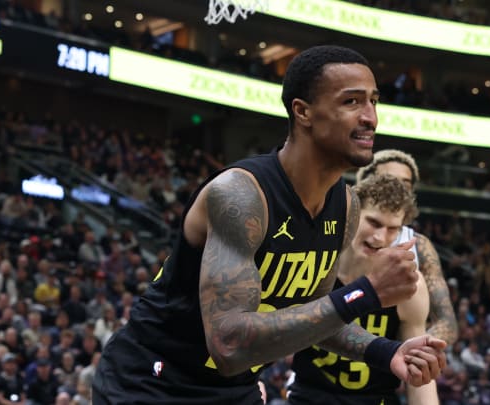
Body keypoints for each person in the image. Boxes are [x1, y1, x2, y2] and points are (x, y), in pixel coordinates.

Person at [93, 45, 446, 404]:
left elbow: (314, 312)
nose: (370, 117)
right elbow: (229, 345)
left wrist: (385, 352)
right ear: (303, 111)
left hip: (232, 391)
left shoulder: (345, 206)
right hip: (152, 383)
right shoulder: (242, 196)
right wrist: (366, 293)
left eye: (373, 101)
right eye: (351, 102)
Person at [288, 174, 438, 405]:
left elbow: (418, 375)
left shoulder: (409, 284)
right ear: (352, 214)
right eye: (374, 223)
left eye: (393, 229)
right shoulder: (314, 262)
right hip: (308, 397)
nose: (380, 237)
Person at [356, 149, 458, 344]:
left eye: (405, 183)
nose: (397, 189)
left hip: (390, 358)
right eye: (389, 179)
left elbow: (447, 321)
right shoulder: (335, 229)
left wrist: (416, 347)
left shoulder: (420, 246)